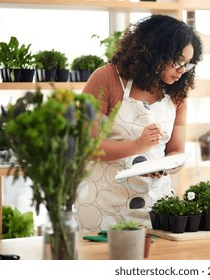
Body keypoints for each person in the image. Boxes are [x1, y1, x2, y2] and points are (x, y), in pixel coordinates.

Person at [75, 14, 203, 232]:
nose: (182, 70)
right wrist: (138, 146)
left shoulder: (177, 94)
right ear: (153, 52)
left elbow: (175, 151)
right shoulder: (107, 79)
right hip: (103, 206)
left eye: (188, 64)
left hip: (154, 205)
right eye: (177, 61)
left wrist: (163, 168)